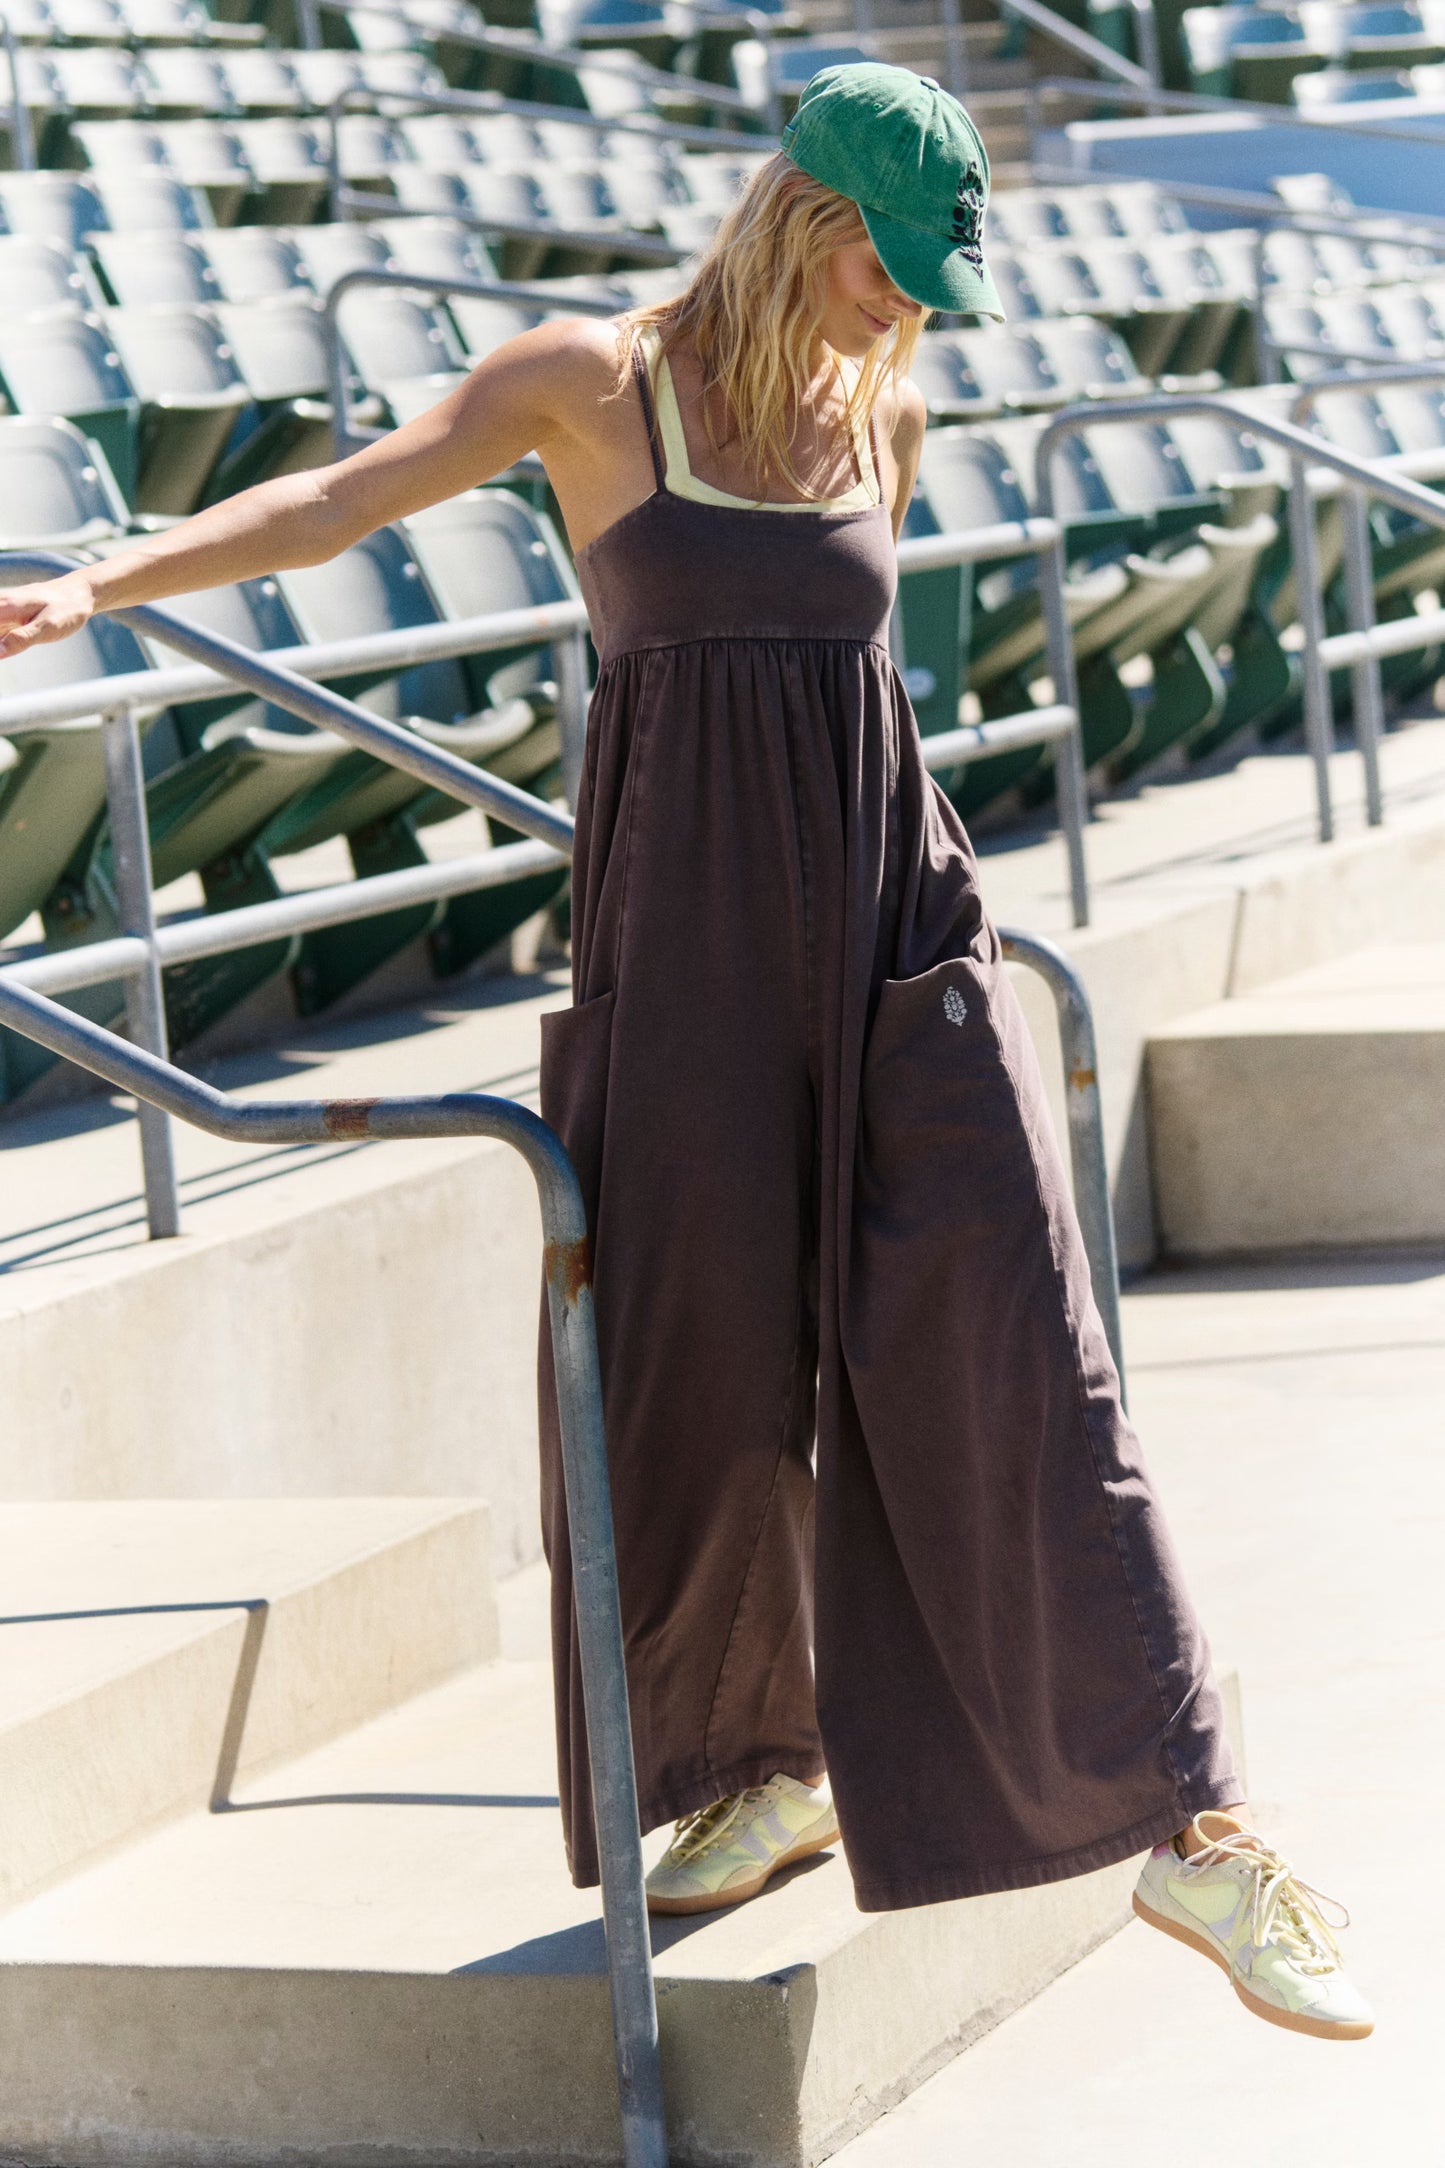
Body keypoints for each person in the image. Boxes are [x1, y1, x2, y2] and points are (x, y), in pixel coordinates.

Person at [0, 63, 1370, 2044]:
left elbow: (856, 696)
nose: (902, 315)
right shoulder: (590, 380)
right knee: (696, 1374)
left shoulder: (878, 401)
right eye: (885, 270)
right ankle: (756, 1769)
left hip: (897, 932)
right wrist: (107, 581)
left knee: (1023, 1347)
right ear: (805, 221)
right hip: (688, 939)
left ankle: (1194, 1818)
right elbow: (344, 498)